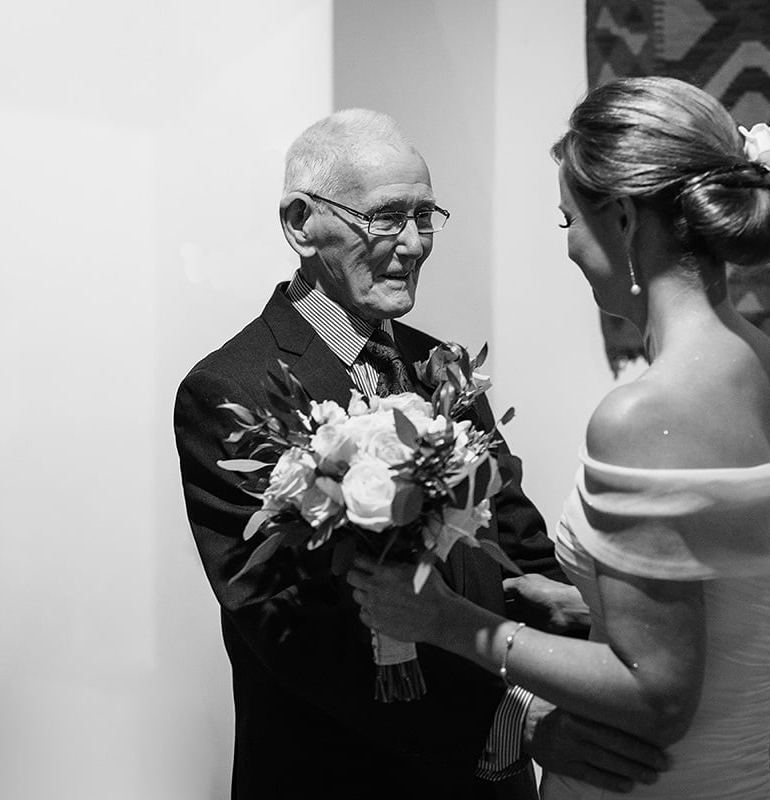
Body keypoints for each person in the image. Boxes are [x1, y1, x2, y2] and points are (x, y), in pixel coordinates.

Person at [349, 77, 770, 799]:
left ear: (618, 217)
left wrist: (447, 621)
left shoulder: (644, 414)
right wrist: (589, 604)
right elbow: (736, 580)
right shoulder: (769, 368)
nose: (571, 250)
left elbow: (657, 696)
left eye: (566, 221)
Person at [173, 108, 667, 800]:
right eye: (386, 217)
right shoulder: (228, 389)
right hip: (344, 774)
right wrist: (512, 722)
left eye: (425, 215)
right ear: (298, 223)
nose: (412, 243)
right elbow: (292, 625)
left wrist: (636, 638)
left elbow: (517, 547)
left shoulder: (439, 364)